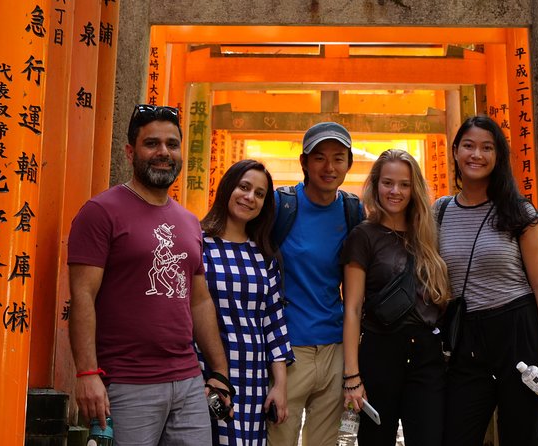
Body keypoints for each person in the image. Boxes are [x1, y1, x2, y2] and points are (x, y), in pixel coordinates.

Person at [68, 104, 231, 445]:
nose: (163, 153)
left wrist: (219, 373)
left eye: (172, 144)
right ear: (130, 151)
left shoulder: (188, 221)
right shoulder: (101, 212)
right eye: (152, 143)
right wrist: (87, 373)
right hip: (127, 383)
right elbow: (83, 295)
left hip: (188, 382)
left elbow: (199, 301)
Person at [436, 115, 538, 446]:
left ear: (498, 157)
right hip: (467, 339)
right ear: (455, 151)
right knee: (456, 435)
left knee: (520, 436)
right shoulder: (440, 211)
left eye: (486, 148)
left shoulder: (519, 212)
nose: (476, 155)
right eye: (468, 146)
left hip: (518, 332)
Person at [340, 149, 451, 445]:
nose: (395, 191)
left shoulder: (427, 234)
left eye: (404, 184)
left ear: (414, 189)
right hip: (380, 350)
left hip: (426, 354)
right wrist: (352, 377)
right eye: (388, 183)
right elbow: (352, 308)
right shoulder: (363, 236)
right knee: (376, 440)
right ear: (375, 185)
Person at [267, 122, 363, 446]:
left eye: (339, 158)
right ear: (304, 162)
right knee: (278, 439)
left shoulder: (352, 210)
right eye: (319, 157)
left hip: (334, 348)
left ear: (349, 164)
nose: (329, 167)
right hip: (288, 350)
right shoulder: (281, 205)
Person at [198, 159, 295, 445]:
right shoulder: (198, 244)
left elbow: (274, 325)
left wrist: (279, 385)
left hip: (252, 377)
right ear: (228, 187)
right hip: (205, 371)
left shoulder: (265, 256)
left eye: (260, 194)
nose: (250, 197)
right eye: (244, 187)